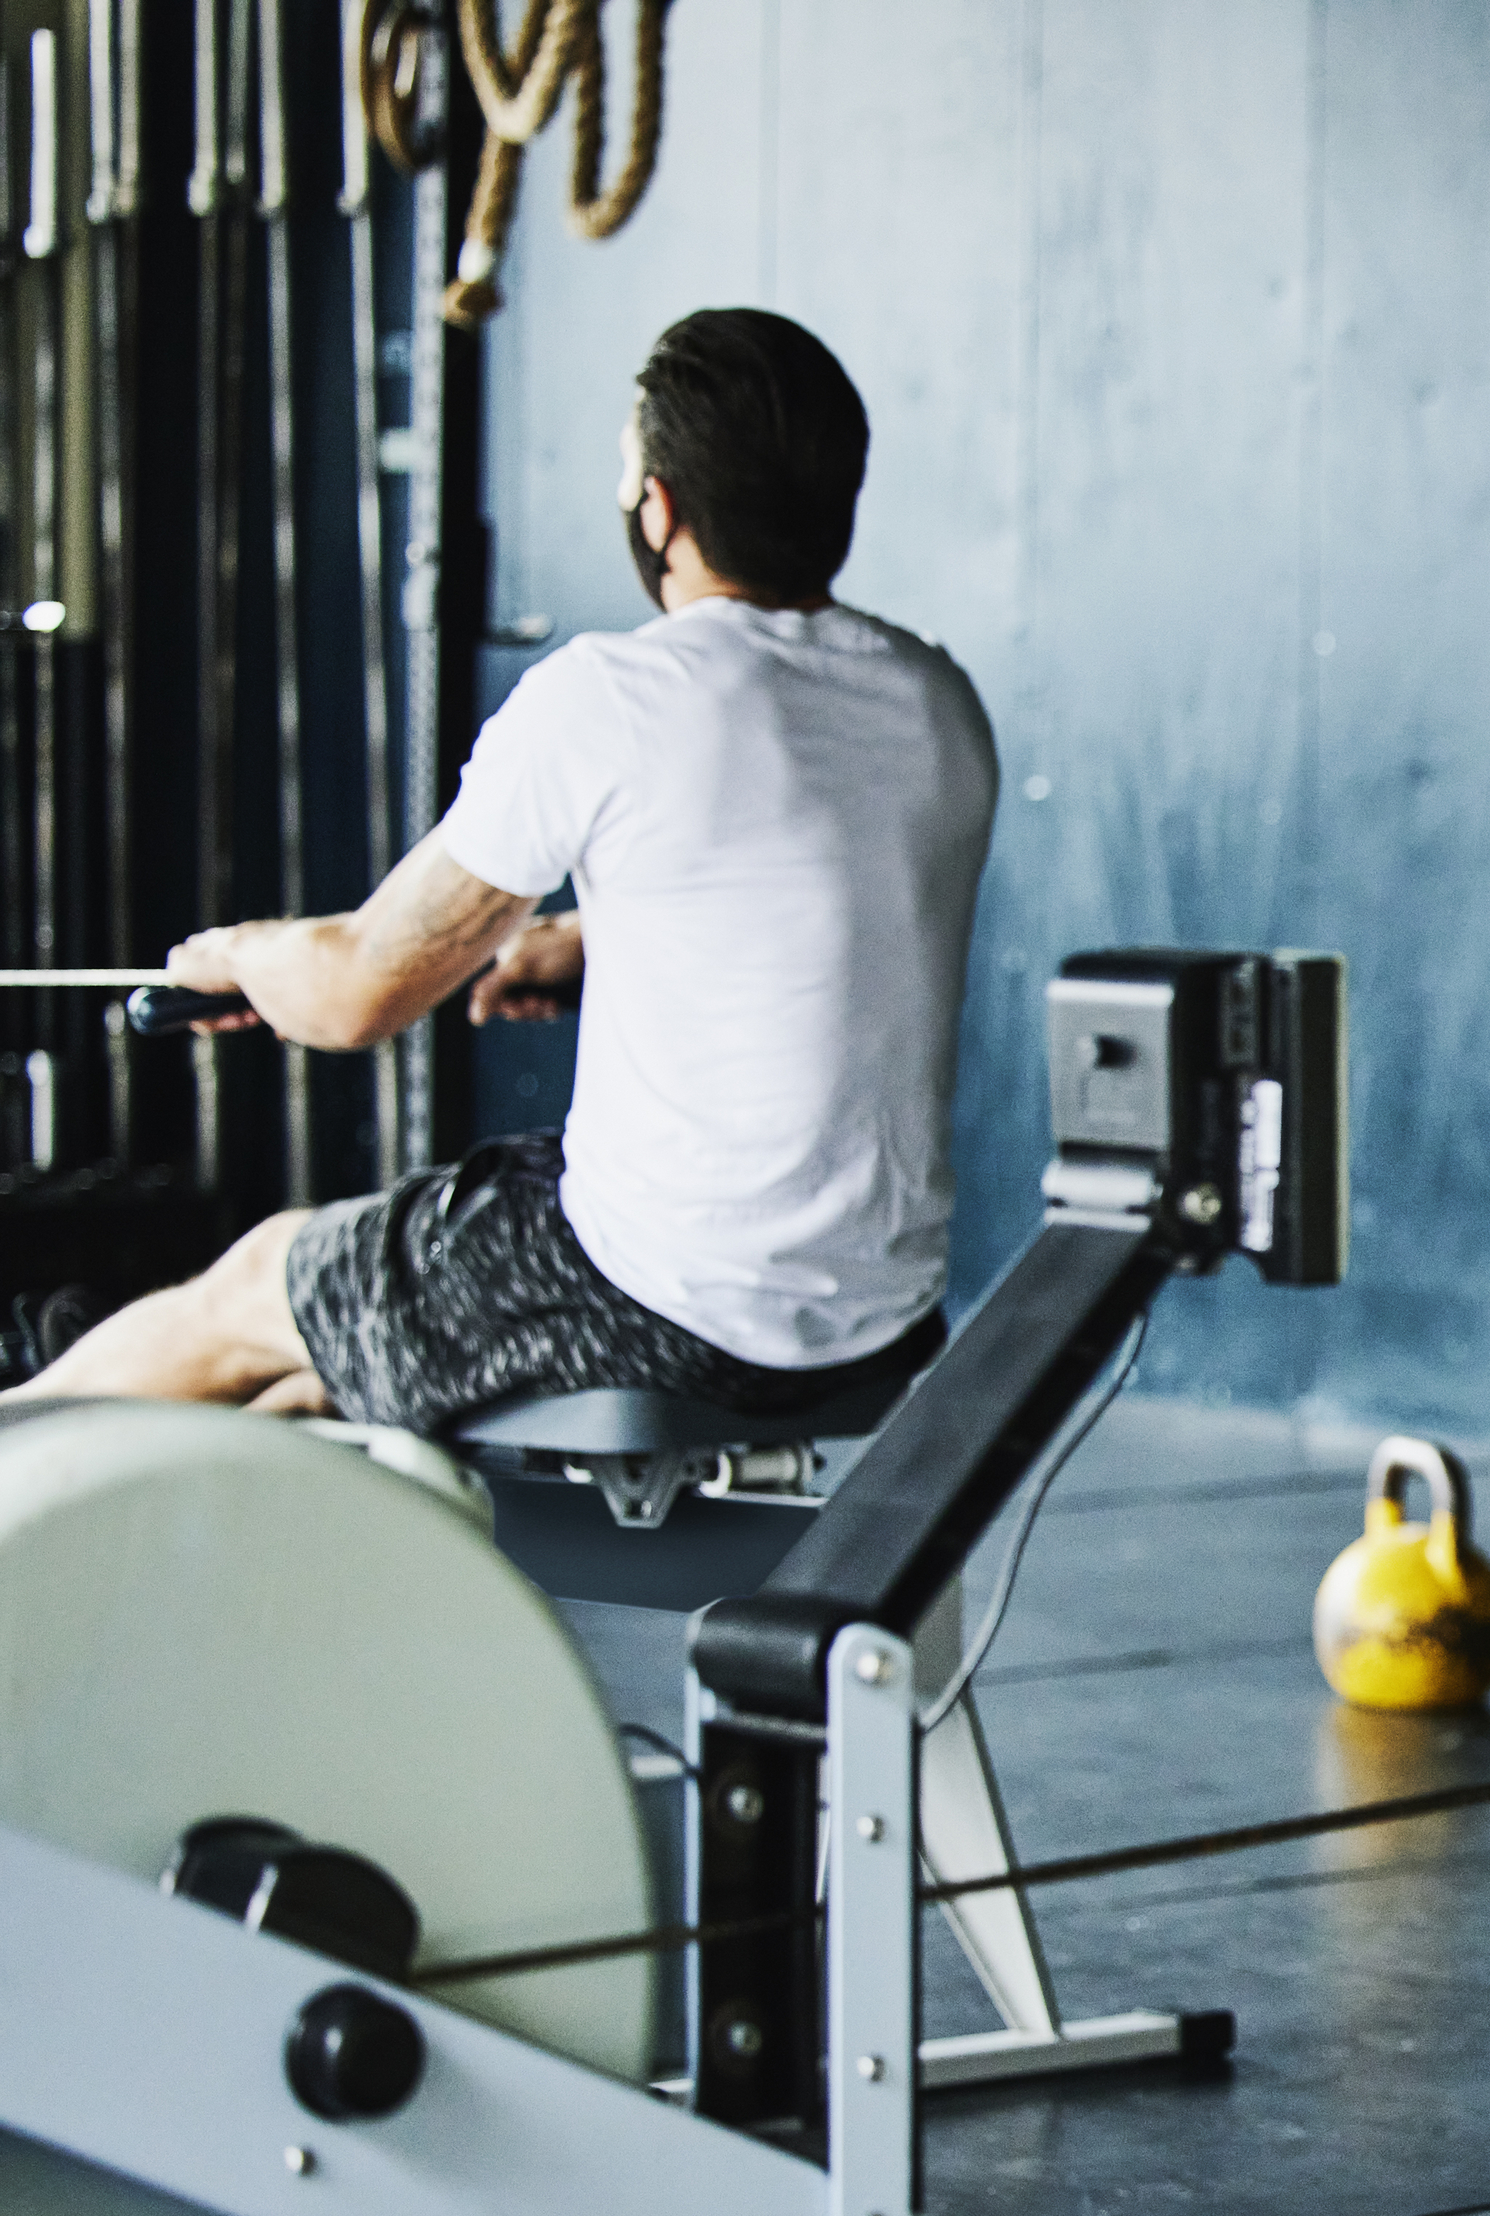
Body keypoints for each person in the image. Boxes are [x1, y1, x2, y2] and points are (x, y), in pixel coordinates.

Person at [3, 309, 996, 1436]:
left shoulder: (620, 695)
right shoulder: (935, 702)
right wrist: (577, 945)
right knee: (326, 1356)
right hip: (881, 1310)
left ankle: (31, 1429)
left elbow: (354, 991)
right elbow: (820, 909)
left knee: (256, 1279)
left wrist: (239, 954)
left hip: (663, 1302)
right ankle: (149, 1374)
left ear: (659, 509)